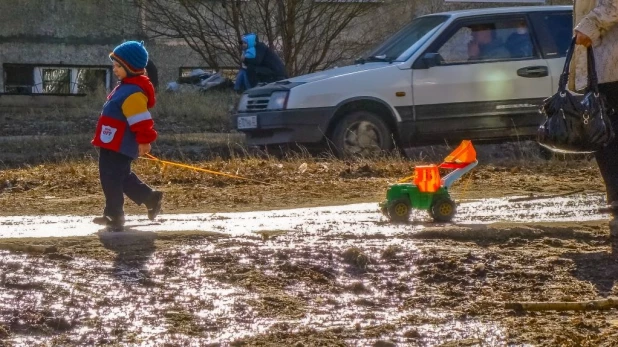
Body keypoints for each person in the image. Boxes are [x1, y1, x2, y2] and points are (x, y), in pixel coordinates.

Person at [91, 40, 163, 232]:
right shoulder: (125, 86)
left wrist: (144, 140)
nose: (114, 69)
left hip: (121, 143)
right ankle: (150, 197)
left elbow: (141, 120)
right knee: (120, 177)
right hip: (111, 141)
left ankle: (114, 214)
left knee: (112, 177)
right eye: (114, 65)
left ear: (130, 67)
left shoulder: (133, 92)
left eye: (118, 66)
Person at [570, 0, 618, 222]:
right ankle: (615, 196)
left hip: (610, 67)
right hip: (600, 66)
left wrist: (589, 27)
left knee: (607, 133)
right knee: (604, 134)